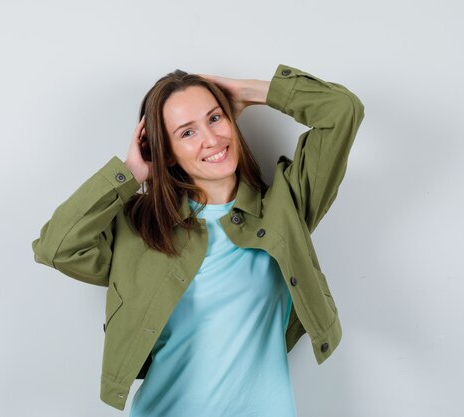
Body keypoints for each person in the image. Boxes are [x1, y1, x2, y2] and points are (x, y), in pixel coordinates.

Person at [32, 64, 365, 415]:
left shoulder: (285, 208)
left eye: (215, 118)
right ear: (166, 152)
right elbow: (56, 248)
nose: (211, 139)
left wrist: (249, 91)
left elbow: (343, 111)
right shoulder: (143, 229)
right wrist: (129, 173)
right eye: (187, 133)